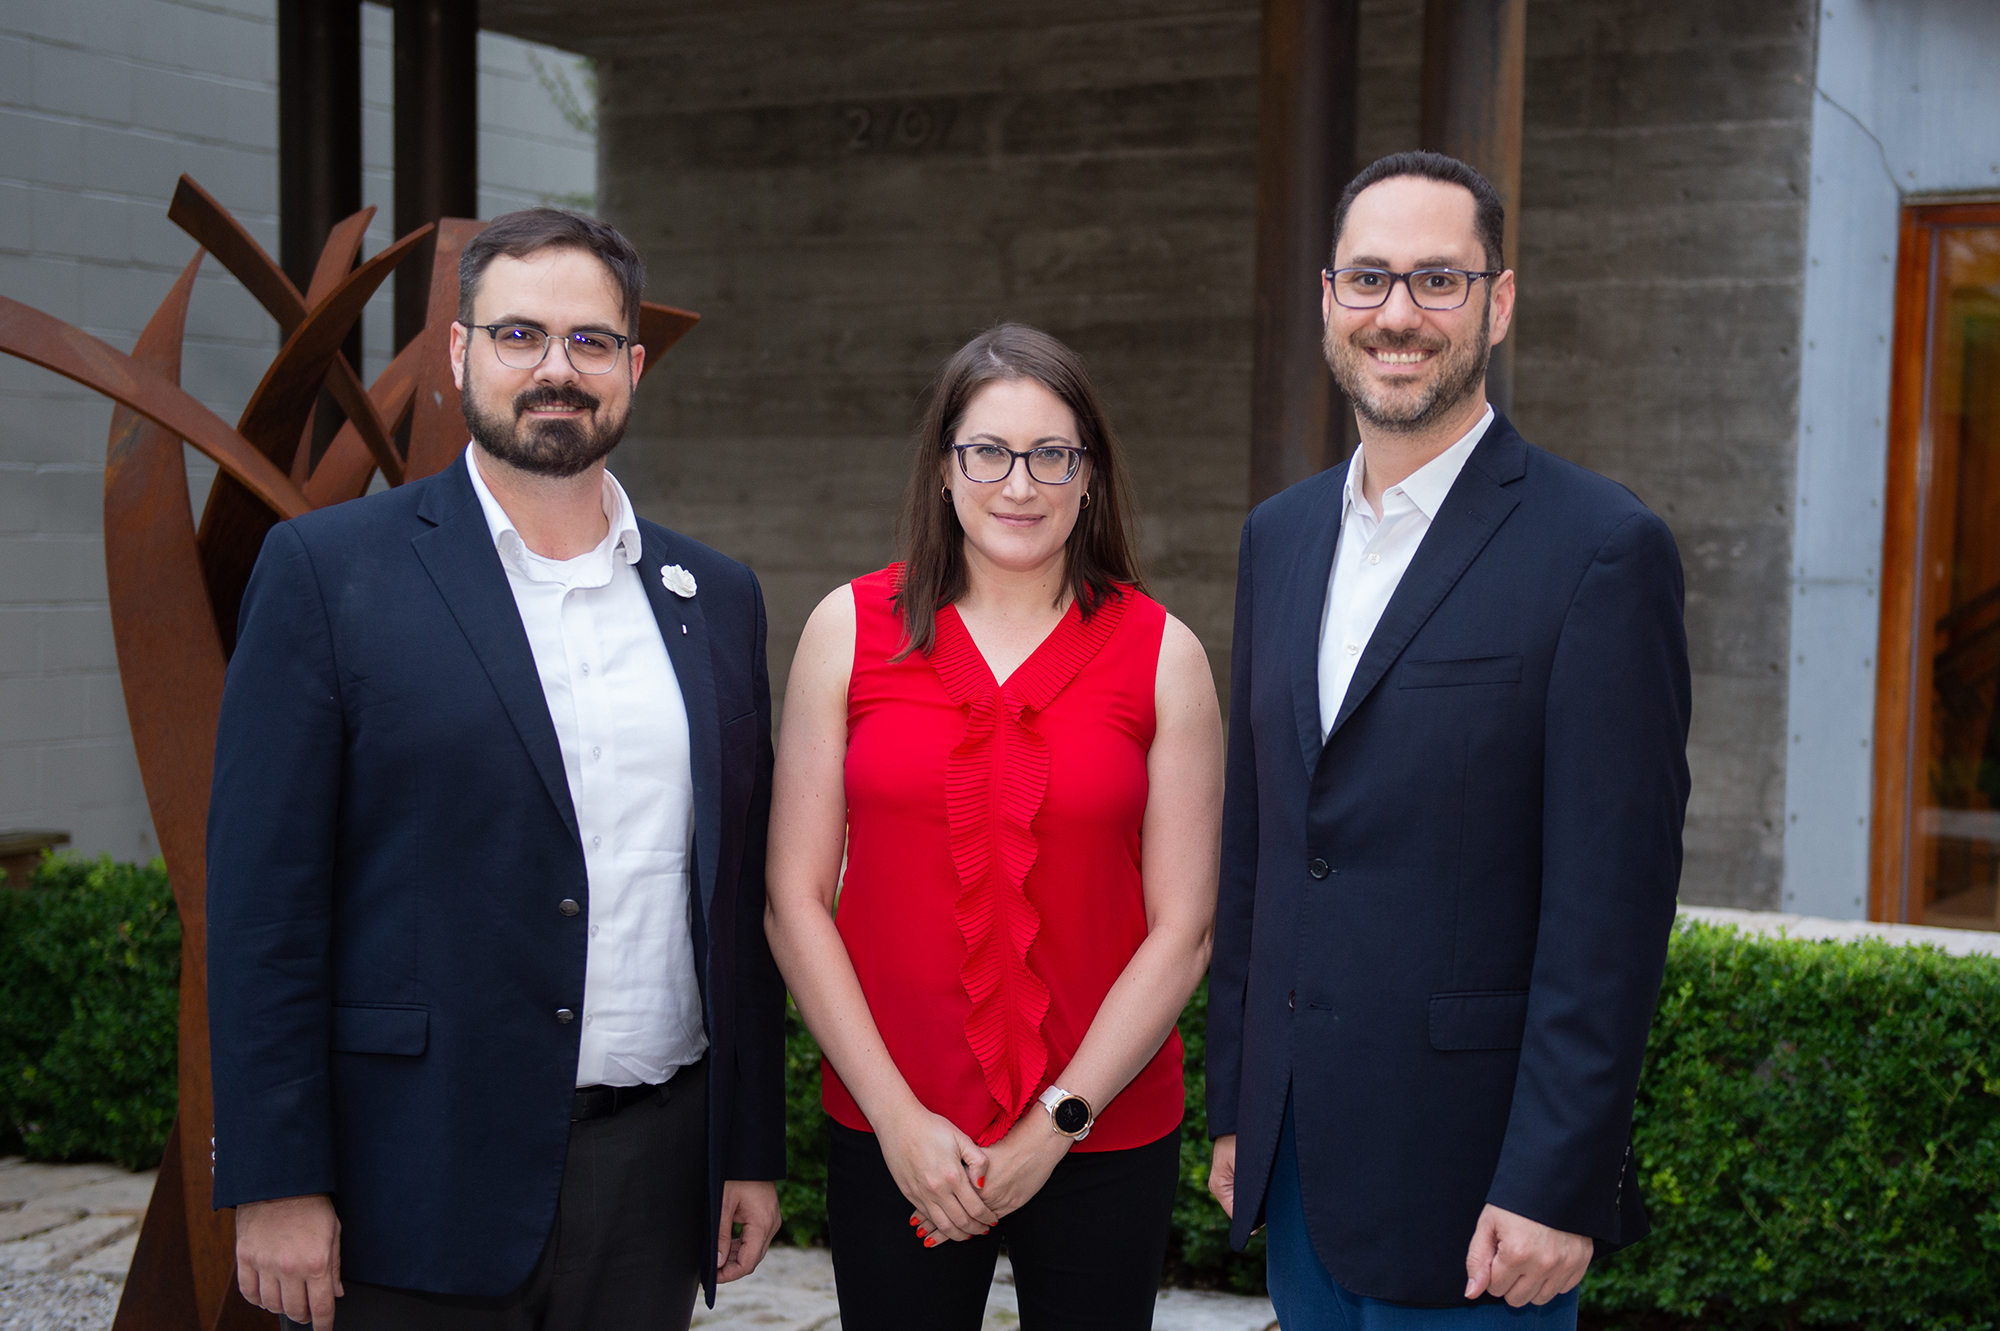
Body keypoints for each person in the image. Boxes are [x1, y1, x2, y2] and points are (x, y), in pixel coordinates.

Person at [206, 208, 786, 1330]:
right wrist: (276, 1177)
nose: (555, 369)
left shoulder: (715, 597)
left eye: (589, 340)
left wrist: (747, 1143)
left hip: (653, 1173)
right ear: (462, 352)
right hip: (410, 1171)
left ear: (632, 367)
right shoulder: (328, 571)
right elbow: (262, 904)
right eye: (520, 335)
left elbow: (736, 896)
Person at [1204, 151, 1692, 1328]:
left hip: (1481, 1197)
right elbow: (1259, 848)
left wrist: (1554, 1181)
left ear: (1497, 301)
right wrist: (1238, 1108)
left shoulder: (1599, 548)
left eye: (1436, 279)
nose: (1397, 315)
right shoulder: (1277, 538)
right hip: (1299, 1163)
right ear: (1328, 298)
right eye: (1367, 278)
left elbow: (1610, 906)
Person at [765, 324, 1222, 1330]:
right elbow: (793, 901)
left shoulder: (1165, 655)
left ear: (1089, 476)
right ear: (943, 467)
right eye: (987, 452)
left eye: (1052, 454)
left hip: (1102, 1131)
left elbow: (1182, 929)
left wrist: (1058, 1120)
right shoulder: (847, 629)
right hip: (898, 1135)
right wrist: (895, 1118)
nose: (1020, 484)